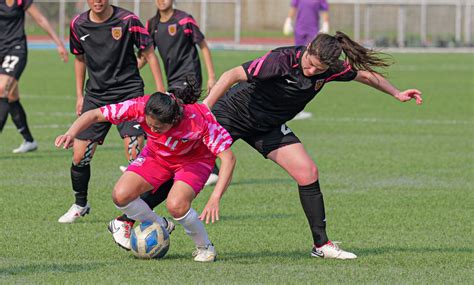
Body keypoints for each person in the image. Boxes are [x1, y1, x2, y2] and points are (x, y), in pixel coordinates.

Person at [105, 31, 423, 260]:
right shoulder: (281, 60)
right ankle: (128, 218)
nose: (311, 70)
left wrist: (396, 93)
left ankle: (321, 245)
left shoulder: (331, 68)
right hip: (232, 114)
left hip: (267, 127)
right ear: (308, 48)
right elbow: (231, 75)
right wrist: (206, 111)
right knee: (180, 166)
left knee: (307, 172)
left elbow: (364, 76)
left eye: (318, 69)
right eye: (310, 63)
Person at [55, 79, 236, 262]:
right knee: (121, 194)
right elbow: (94, 114)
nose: (151, 129)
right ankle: (159, 224)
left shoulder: (198, 120)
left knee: (176, 205)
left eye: (157, 128)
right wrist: (71, 132)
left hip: (194, 161)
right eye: (149, 125)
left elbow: (228, 159)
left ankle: (205, 246)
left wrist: (215, 198)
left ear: (173, 121)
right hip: (157, 156)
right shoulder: (141, 106)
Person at [58, 0, 165, 223]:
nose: (98, 1)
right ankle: (80, 204)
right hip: (96, 96)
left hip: (129, 93)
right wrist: (79, 95)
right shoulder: (78, 24)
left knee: (135, 155)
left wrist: (161, 91)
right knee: (79, 156)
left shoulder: (128, 20)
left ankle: (136, 213)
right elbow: (79, 59)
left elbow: (149, 53)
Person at [138, 0, 219, 185]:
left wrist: (211, 76)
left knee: (168, 116)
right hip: (172, 79)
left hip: (189, 79)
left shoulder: (184, 20)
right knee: (186, 123)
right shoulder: (152, 24)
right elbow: (146, 55)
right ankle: (208, 169)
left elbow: (203, 46)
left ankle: (147, 164)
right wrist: (128, 71)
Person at [0, 0, 68, 153]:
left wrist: (59, 43)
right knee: (11, 96)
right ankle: (29, 140)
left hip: (16, 49)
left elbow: (40, 19)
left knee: (2, 88)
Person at [284, 0, 330, 121]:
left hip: (313, 31)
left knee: (311, 65)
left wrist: (325, 24)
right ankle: (292, 106)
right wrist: (289, 20)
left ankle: (298, 107)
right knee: (298, 63)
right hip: (300, 29)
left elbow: (324, 10)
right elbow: (293, 7)